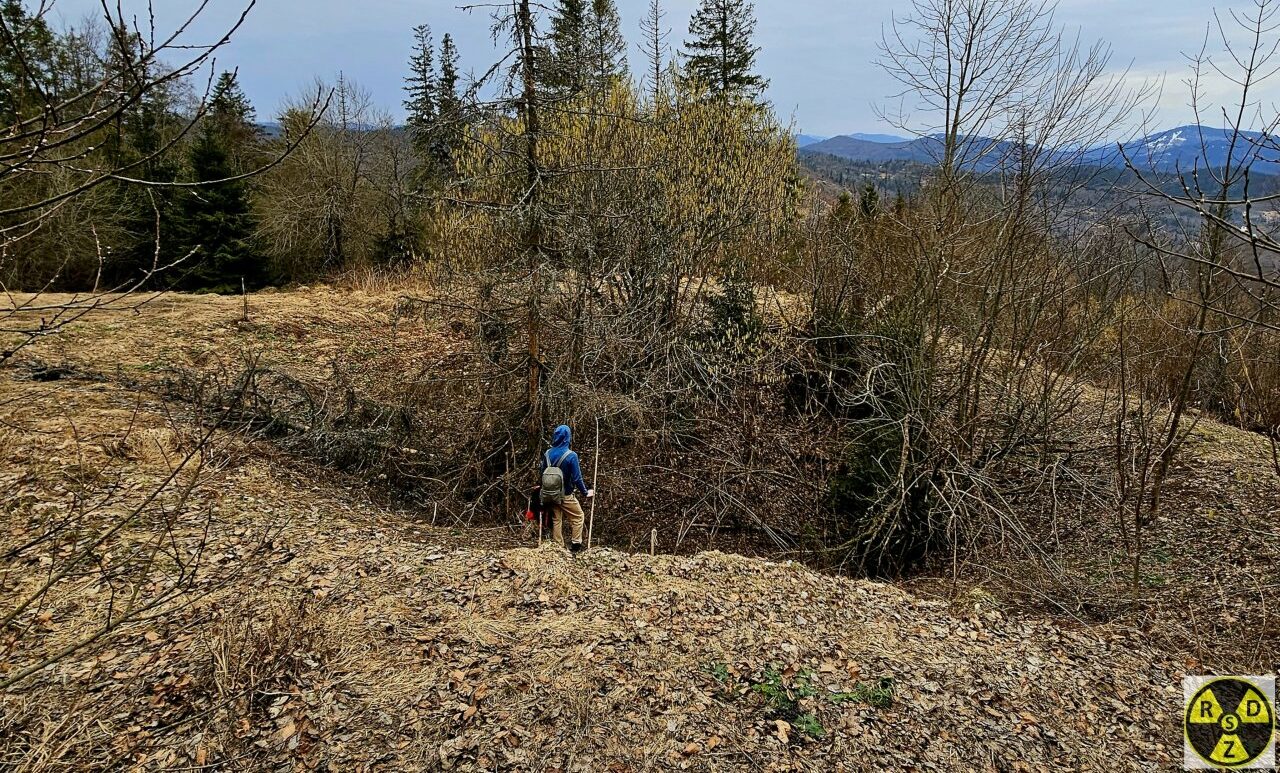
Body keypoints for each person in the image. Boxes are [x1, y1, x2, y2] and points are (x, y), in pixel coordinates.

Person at [540, 424, 594, 552]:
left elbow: (541, 473)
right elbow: (577, 478)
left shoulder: (547, 453)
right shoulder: (571, 455)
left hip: (549, 494)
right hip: (566, 495)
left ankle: (558, 548)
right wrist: (585, 492)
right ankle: (575, 546)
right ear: (567, 437)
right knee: (578, 517)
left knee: (556, 519)